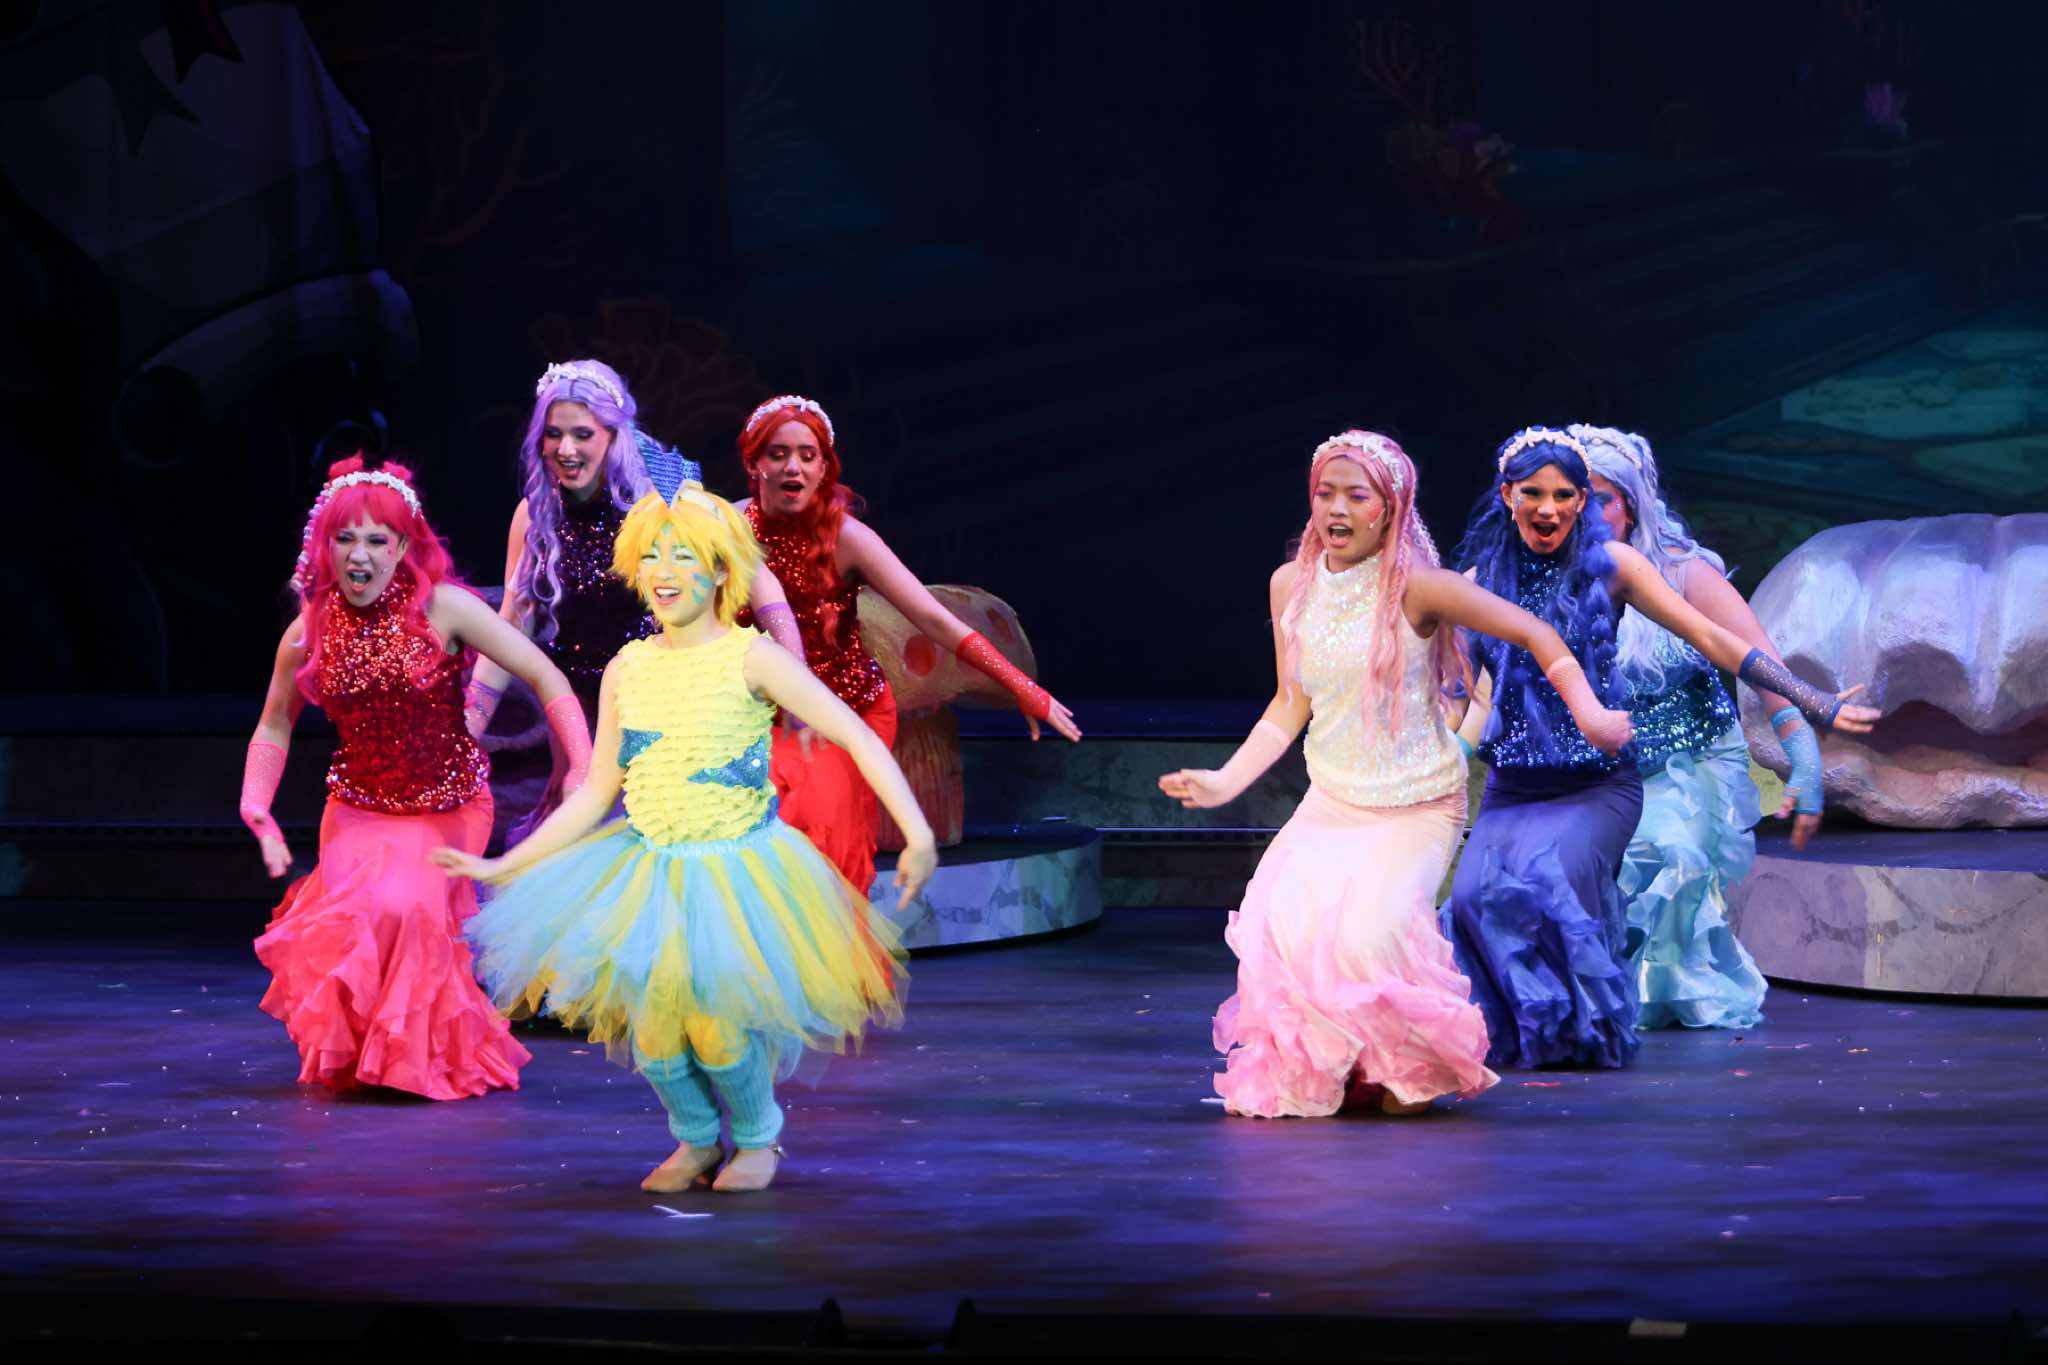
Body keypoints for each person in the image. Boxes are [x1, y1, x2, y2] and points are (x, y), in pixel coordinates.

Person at [435, 478, 936, 1193]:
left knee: (717, 1027)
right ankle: (697, 1138)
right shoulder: (629, 668)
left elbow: (854, 734)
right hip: (650, 869)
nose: (665, 571)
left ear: (723, 571)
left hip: (734, 873)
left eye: (685, 556)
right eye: (653, 556)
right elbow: (597, 790)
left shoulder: (752, 657)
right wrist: (506, 865)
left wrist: (915, 831)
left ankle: (757, 1137)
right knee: (655, 1034)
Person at [1160, 432, 1631, 1118]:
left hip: (1416, 804)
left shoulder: (1419, 587)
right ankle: (1344, 1066)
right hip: (1332, 800)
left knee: (1367, 938)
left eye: (1357, 496)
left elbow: (1533, 632)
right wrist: (1225, 781)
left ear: (1390, 507)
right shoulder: (1290, 585)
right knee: (1279, 924)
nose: (1337, 509)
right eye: (1325, 494)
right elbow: (1289, 702)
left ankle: (1414, 1066)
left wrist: (1589, 713)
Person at [1442, 427, 1877, 1069]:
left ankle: (1589, 1032)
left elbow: (1725, 644)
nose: (1555, 510)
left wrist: (1813, 717)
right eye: (1534, 494)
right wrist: (1440, 761)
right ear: (1508, 496)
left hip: (1642, 769)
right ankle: (1526, 1030)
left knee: (1596, 874)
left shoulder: (1647, 569)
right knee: (1475, 900)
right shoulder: (1483, 582)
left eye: (1579, 497)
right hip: (1525, 779)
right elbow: (1468, 695)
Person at [238, 455, 591, 1099]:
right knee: (358, 923)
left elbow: (547, 678)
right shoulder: (308, 628)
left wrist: (583, 770)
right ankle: (377, 1059)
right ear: (325, 547)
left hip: (447, 805)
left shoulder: (445, 609)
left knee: (405, 910)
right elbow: (274, 724)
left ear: (403, 547)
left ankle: (419, 1060)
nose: (360, 555)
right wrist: (255, 805)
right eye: (346, 539)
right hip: (357, 805)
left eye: (378, 540)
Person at [732, 394, 1080, 891]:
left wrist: (1021, 686)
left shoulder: (847, 537)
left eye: (808, 456)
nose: (793, 467)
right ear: (754, 464)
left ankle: (835, 934)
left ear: (824, 468)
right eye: (778, 454)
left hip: (847, 712)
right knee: (753, 851)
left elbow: (932, 617)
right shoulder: (726, 529)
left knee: (824, 843)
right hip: (757, 714)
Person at [464, 360, 807, 831]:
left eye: (583, 434)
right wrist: (471, 725)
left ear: (612, 435)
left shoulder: (660, 499)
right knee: (579, 832)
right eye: (554, 434)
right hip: (579, 707)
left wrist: (796, 676)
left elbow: (755, 576)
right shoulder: (535, 515)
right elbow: (510, 626)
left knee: (659, 829)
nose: (566, 449)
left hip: (659, 697)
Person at [1571, 423, 1825, 1030]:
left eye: (1602, 499)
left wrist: (1806, 758)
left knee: (1673, 855)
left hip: (1693, 757)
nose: (1588, 516)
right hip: (1602, 771)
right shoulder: (1549, 574)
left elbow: (1762, 665)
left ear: (1632, 505)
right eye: (1577, 500)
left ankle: (1656, 996)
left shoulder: (1683, 572)